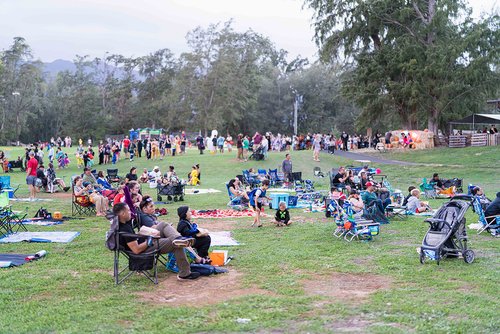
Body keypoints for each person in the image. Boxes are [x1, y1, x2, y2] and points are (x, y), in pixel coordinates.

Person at [113, 202, 200, 280]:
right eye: (128, 211)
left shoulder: (122, 223)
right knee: (175, 244)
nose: (130, 212)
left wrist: (145, 233)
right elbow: (136, 250)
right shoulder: (124, 229)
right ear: (123, 214)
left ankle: (178, 239)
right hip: (145, 248)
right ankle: (184, 274)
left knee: (162, 225)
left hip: (144, 241)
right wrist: (151, 239)